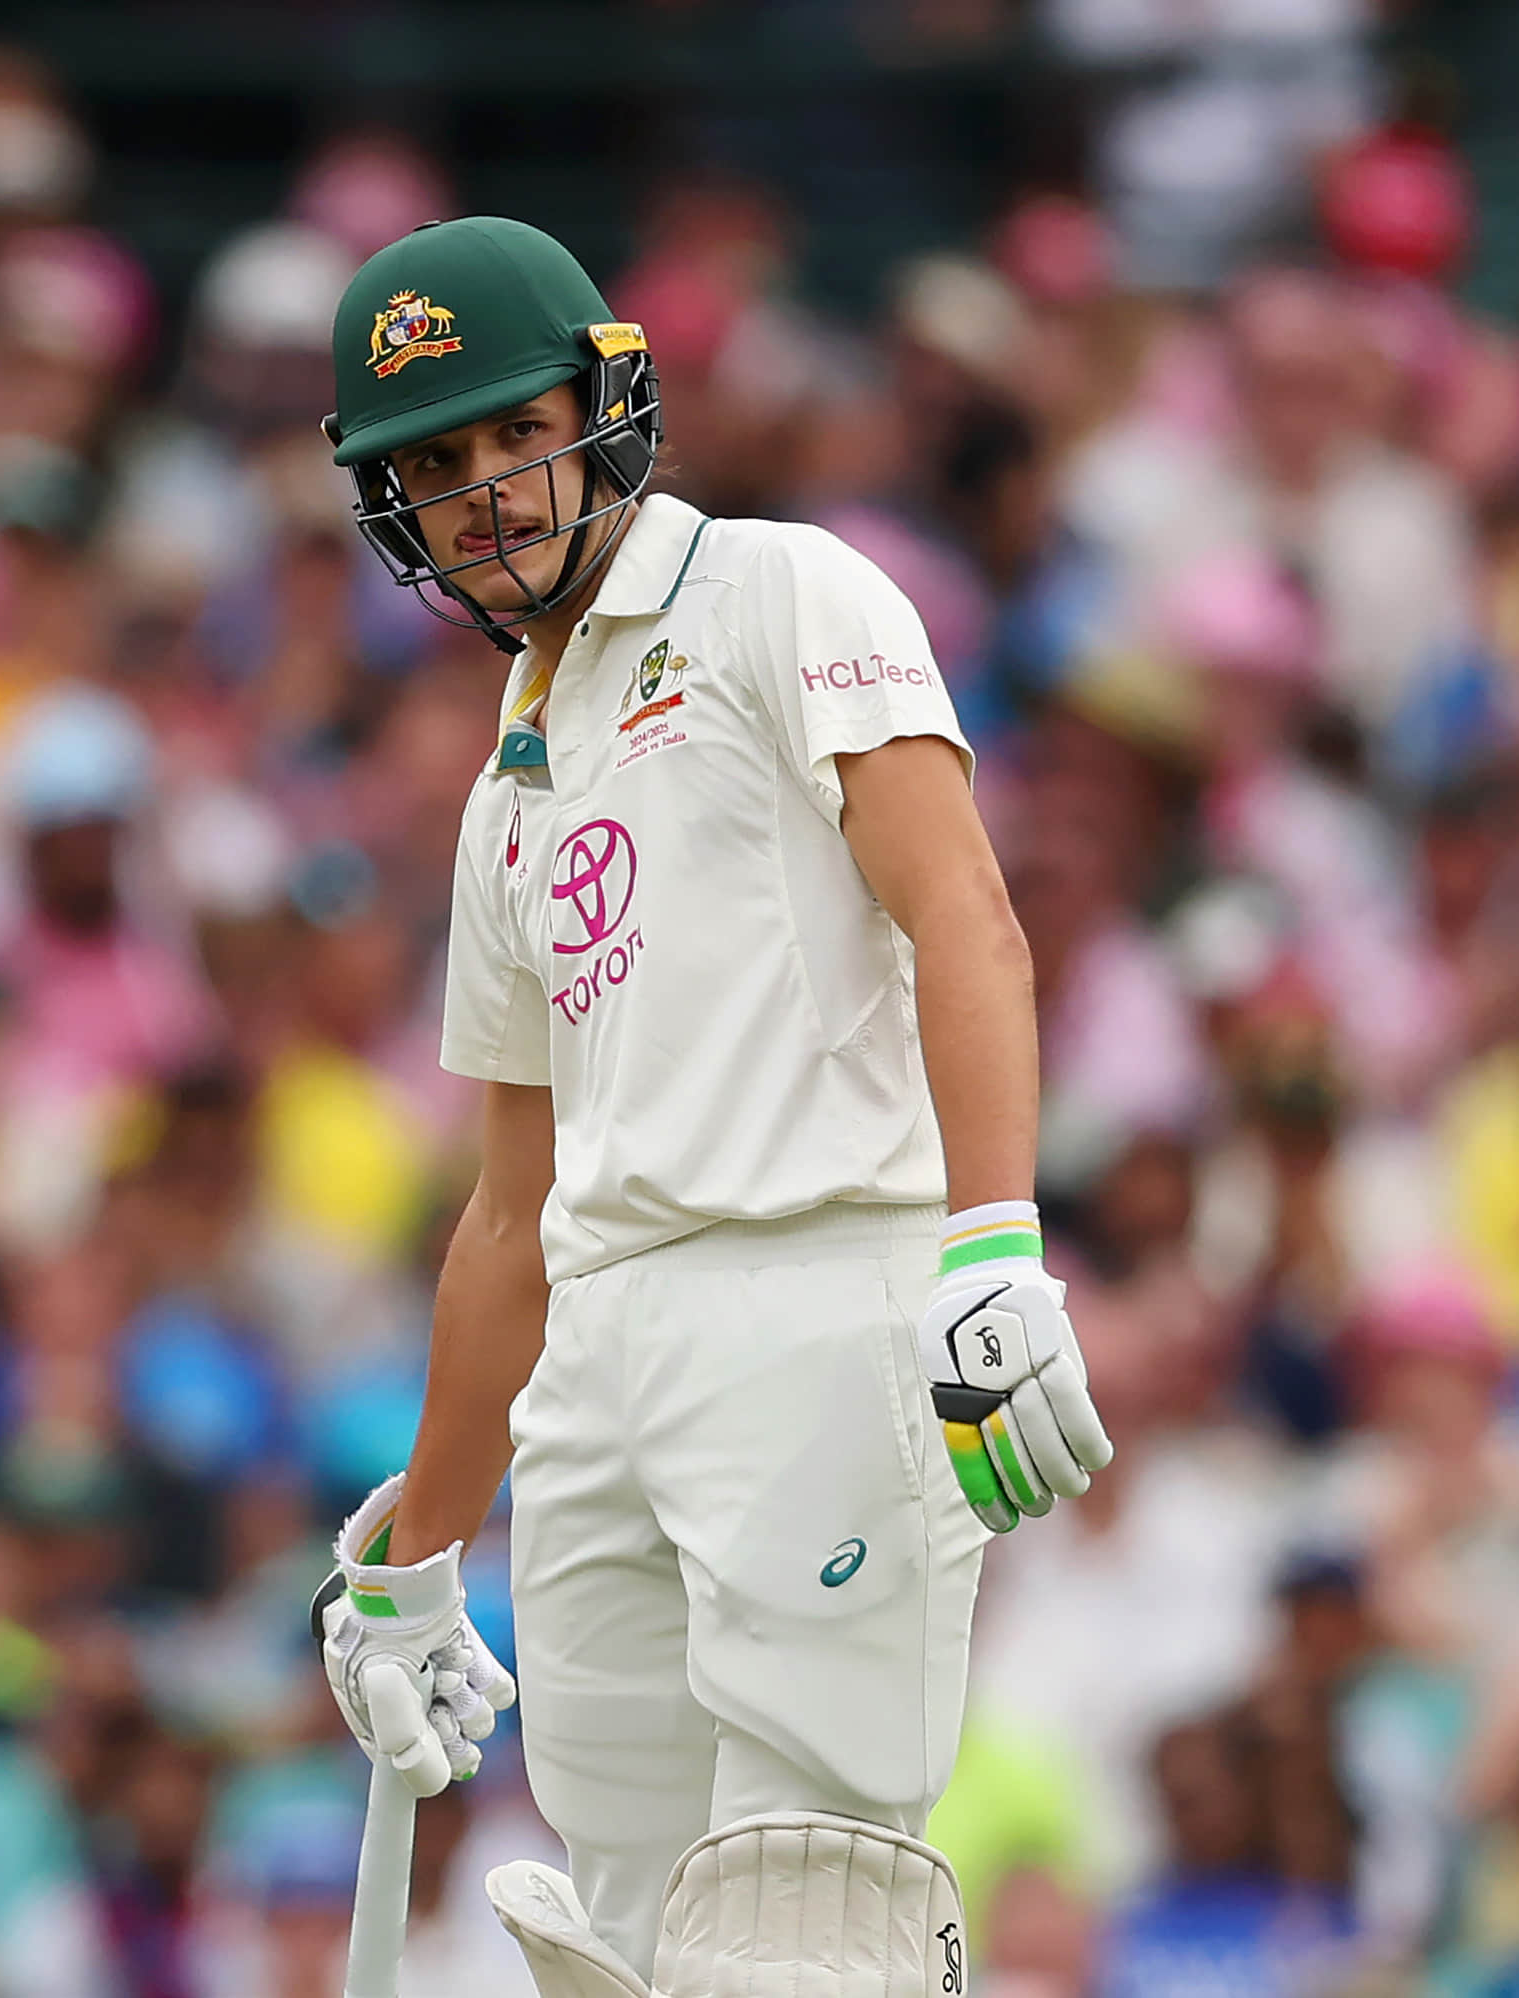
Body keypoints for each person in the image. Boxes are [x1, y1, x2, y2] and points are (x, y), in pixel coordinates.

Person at [307, 217, 1114, 1993]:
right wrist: (417, 1557)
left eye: (510, 433)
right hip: (597, 1362)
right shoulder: (503, 795)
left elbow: (962, 914)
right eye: (429, 467)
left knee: (799, 1916)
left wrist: (990, 1244)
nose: (478, 494)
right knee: (625, 1932)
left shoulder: (778, 592)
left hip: (817, 1299)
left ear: (603, 406)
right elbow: (508, 1214)